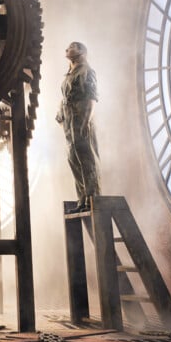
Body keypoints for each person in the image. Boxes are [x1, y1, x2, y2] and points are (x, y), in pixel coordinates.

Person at [56, 41, 101, 214]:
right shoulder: (68, 74)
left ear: (82, 51)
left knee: (86, 159)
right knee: (73, 159)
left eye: (72, 46)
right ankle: (82, 197)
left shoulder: (87, 72)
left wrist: (86, 121)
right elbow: (64, 98)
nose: (67, 49)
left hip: (80, 119)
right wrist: (60, 117)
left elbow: (91, 98)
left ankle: (92, 197)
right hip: (69, 123)